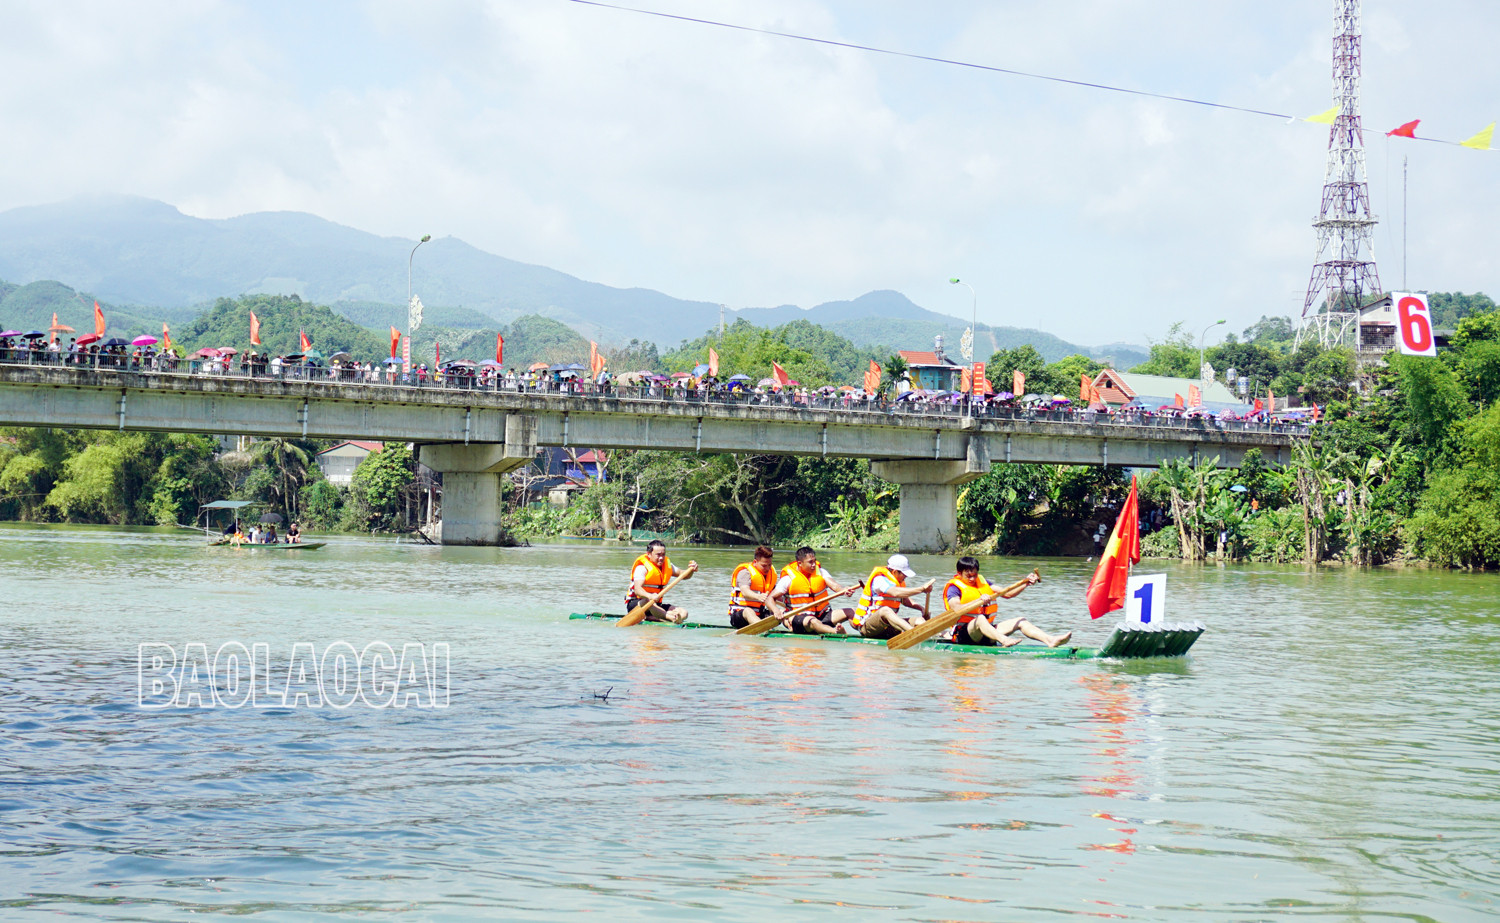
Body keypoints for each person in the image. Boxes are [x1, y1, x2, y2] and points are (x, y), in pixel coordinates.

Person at [941, 556, 1070, 648]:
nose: (973, 578)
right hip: (965, 634)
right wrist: (978, 601)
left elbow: (1007, 593)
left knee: (1021, 621)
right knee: (980, 618)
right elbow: (956, 608)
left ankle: (1050, 640)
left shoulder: (983, 583)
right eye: (968, 576)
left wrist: (1026, 583)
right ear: (959, 573)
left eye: (975, 575)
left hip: (988, 632)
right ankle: (1004, 640)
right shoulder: (954, 588)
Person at [772, 547, 858, 635]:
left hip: (822, 615)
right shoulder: (788, 579)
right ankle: (836, 632)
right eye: (810, 562)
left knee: (851, 611)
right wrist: (776, 610)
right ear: (800, 563)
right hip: (801, 619)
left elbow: (835, 586)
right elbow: (770, 598)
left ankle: (864, 630)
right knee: (813, 622)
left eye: (814, 561)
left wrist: (843, 590)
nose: (814, 564)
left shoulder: (821, 572)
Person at [851, 554, 935, 640]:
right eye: (904, 574)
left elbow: (905, 600)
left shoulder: (899, 582)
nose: (906, 577)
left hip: (887, 627)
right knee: (885, 610)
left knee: (919, 620)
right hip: (868, 627)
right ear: (895, 572)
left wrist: (922, 609)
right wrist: (921, 589)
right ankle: (912, 632)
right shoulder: (879, 580)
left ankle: (936, 636)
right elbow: (895, 593)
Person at [625, 539, 697, 623]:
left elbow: (684, 575)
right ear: (649, 554)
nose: (661, 558)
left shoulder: (667, 565)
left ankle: (656, 617)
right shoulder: (641, 568)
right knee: (647, 601)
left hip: (655, 605)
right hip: (637, 604)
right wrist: (649, 596)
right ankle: (670, 618)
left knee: (683, 613)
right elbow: (637, 590)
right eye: (658, 555)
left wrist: (691, 570)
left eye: (663, 554)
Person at [727, 545, 785, 629]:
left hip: (760, 614)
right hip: (740, 615)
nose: (768, 568)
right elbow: (745, 591)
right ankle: (762, 628)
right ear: (755, 562)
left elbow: (776, 595)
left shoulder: (770, 575)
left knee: (784, 612)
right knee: (748, 611)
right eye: (764, 566)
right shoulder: (745, 573)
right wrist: (758, 596)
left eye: (770, 565)